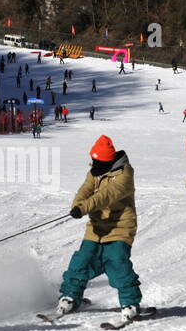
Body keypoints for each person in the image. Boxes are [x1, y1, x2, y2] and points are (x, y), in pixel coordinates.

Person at [56, 136, 143, 321]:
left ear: (109, 161)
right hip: (96, 227)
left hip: (120, 228)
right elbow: (85, 190)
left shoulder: (125, 174)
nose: (94, 164)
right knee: (81, 260)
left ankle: (130, 303)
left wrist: (85, 207)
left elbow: (106, 195)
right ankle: (70, 297)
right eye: (94, 160)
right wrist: (77, 205)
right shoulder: (96, 171)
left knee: (117, 263)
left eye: (98, 161)